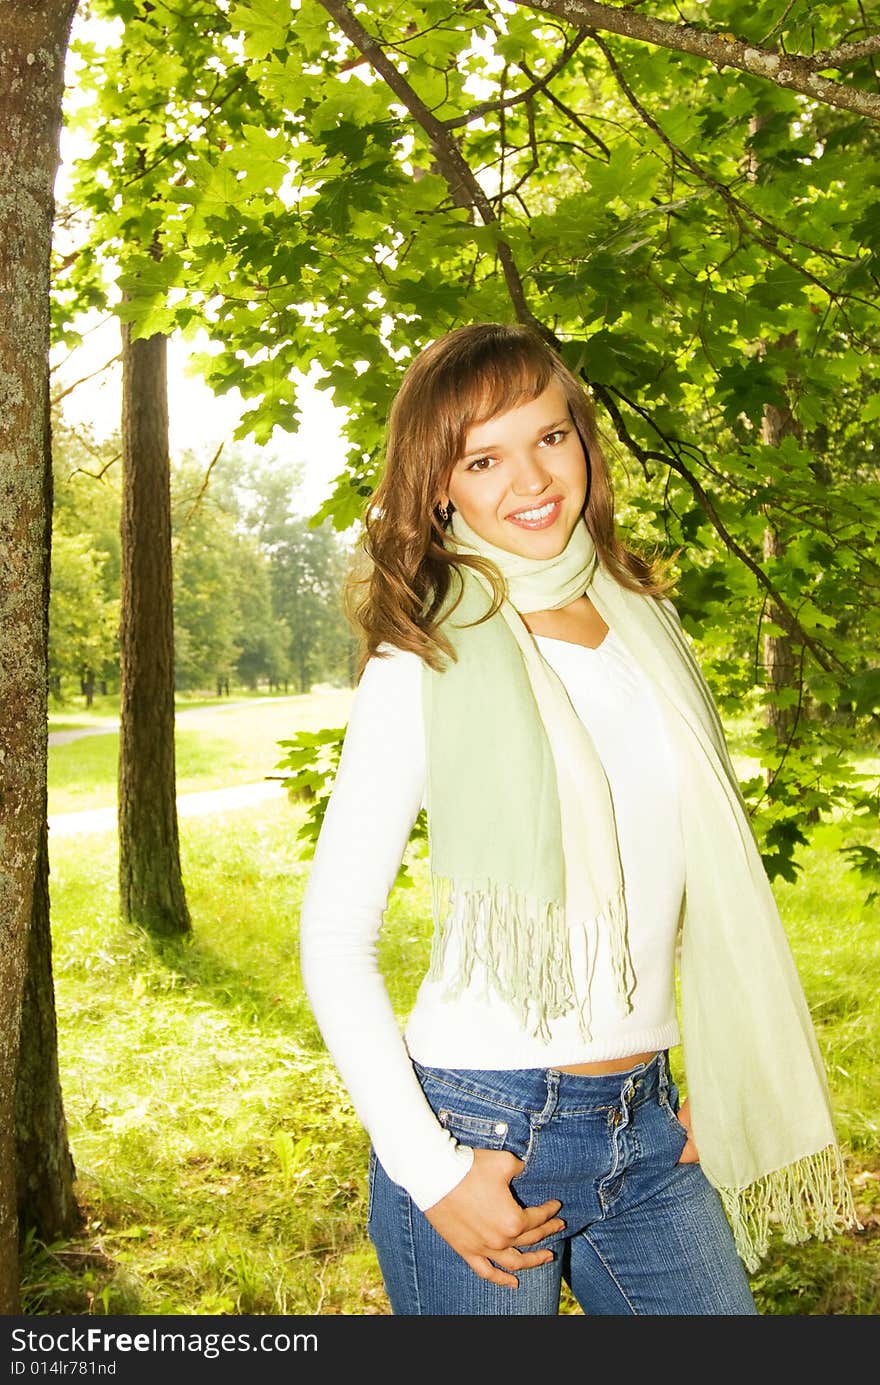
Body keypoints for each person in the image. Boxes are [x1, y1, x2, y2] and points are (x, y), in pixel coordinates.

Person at [298, 322, 859, 1316]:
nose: (530, 478)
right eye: (484, 457)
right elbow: (335, 938)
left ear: (583, 444)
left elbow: (677, 876)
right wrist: (431, 1170)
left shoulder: (643, 623)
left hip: (644, 1122)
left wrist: (707, 1083)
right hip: (485, 1128)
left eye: (548, 436)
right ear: (441, 485)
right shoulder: (424, 654)